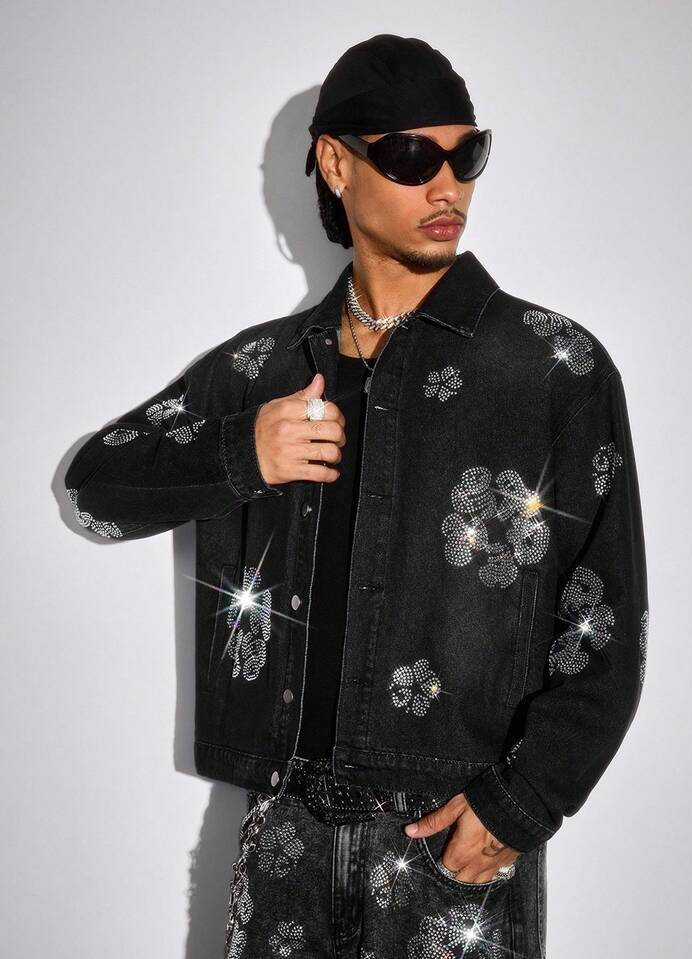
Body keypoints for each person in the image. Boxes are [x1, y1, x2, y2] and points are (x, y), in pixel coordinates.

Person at [64, 34, 649, 959]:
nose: (447, 186)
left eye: (468, 155)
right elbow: (96, 490)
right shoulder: (265, 369)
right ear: (336, 164)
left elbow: (607, 623)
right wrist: (242, 451)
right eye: (413, 157)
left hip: (450, 851)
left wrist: (523, 803)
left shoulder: (552, 369)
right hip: (284, 848)